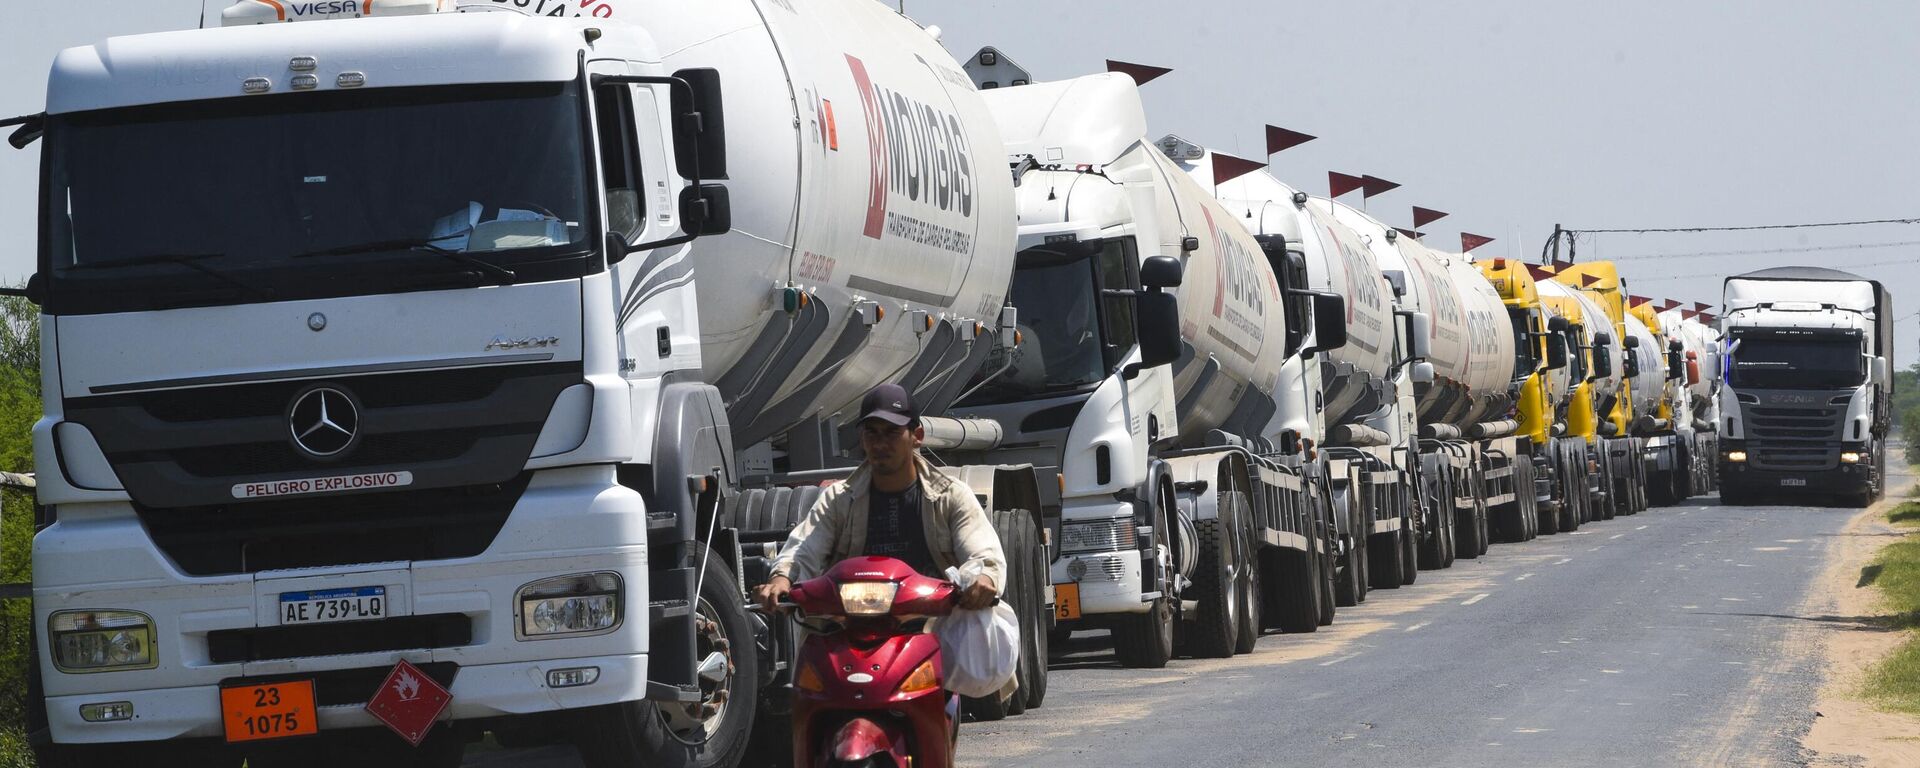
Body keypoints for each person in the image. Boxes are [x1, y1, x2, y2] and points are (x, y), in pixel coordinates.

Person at [756, 384, 1004, 611]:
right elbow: (804, 548)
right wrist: (782, 578)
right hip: (852, 632)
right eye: (871, 433)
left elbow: (982, 553)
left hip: (936, 631)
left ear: (916, 436)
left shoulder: (950, 496)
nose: (880, 443)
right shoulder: (839, 499)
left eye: (892, 433)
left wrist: (984, 579)